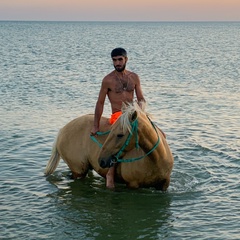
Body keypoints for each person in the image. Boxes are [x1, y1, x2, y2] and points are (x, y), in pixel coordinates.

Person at [91, 47, 146, 189]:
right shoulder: (107, 80)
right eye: (114, 60)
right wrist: (96, 125)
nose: (117, 63)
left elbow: (141, 99)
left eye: (120, 59)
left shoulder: (134, 77)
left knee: (159, 133)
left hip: (134, 113)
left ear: (126, 59)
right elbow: (100, 102)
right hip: (118, 116)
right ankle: (110, 173)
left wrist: (141, 110)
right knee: (118, 140)